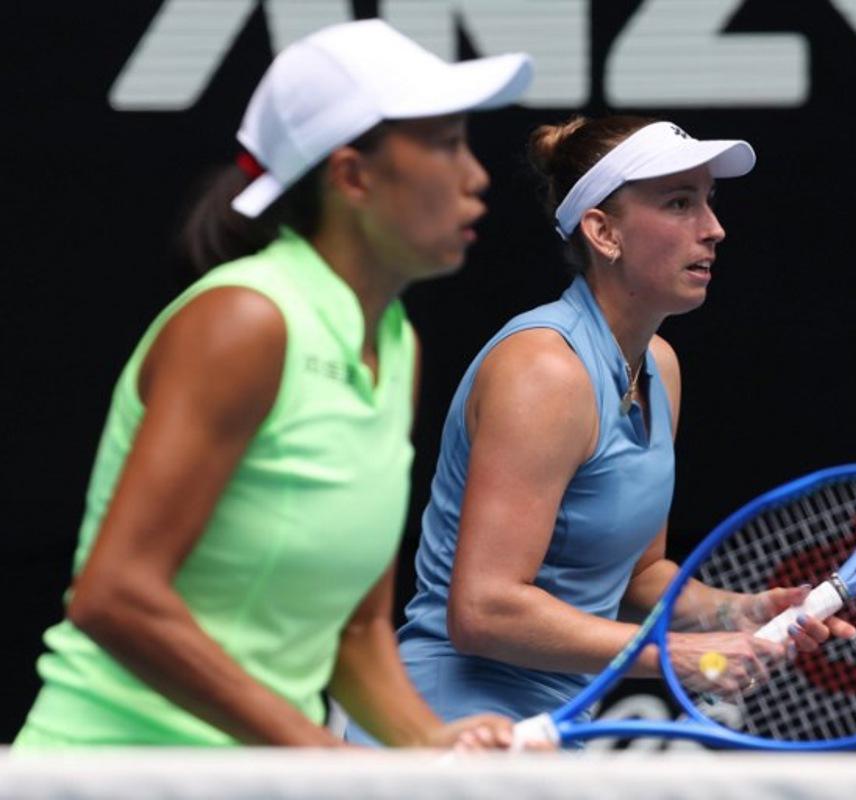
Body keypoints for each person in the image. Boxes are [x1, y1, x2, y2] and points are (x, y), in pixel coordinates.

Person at [13, 19, 533, 749]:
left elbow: (356, 630)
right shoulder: (246, 321)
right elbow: (114, 597)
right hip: (109, 772)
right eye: (447, 145)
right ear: (352, 176)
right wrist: (324, 760)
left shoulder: (394, 343)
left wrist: (427, 745)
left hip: (262, 776)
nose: (476, 176)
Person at [346, 116, 856, 744]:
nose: (713, 228)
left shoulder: (660, 366)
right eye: (679, 203)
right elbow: (483, 610)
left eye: (709, 201)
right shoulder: (544, 371)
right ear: (603, 231)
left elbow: (639, 577)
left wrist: (743, 610)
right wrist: (673, 655)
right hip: (453, 724)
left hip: (553, 725)